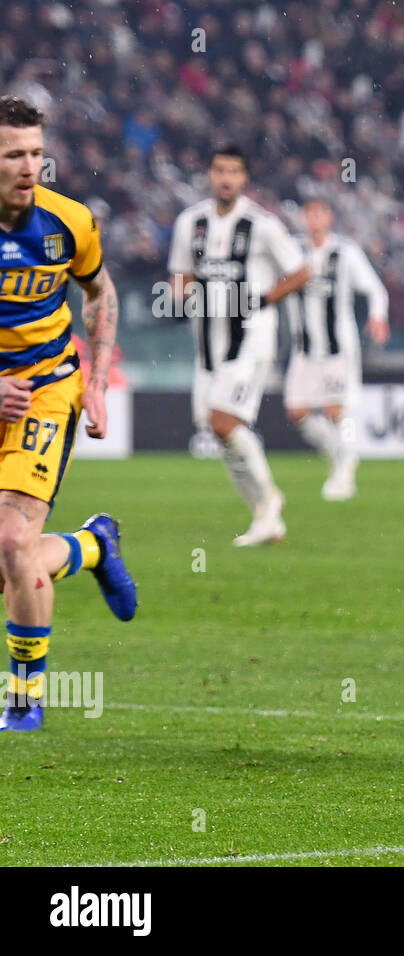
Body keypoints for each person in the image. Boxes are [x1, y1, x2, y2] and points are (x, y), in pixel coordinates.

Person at [0, 96, 137, 731]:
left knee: (9, 541)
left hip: (49, 389)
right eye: (13, 155)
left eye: (35, 153)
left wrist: (100, 382)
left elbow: (100, 292)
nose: (29, 167)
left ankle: (24, 701)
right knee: (11, 562)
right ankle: (91, 545)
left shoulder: (68, 223)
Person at [167, 145, 308, 545]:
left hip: (251, 341)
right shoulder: (189, 223)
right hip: (208, 345)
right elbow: (181, 274)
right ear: (209, 175)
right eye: (219, 170)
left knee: (223, 422)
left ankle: (269, 503)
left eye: (234, 171)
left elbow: (300, 272)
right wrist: (179, 300)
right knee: (217, 428)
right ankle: (265, 516)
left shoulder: (262, 224)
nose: (226, 178)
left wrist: (262, 300)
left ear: (244, 178)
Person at [282, 198, 388, 501]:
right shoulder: (291, 251)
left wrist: (377, 316)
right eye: (309, 213)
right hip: (304, 349)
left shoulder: (345, 252)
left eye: (320, 213)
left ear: (329, 217)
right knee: (297, 412)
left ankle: (344, 474)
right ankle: (341, 455)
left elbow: (375, 288)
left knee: (336, 409)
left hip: (338, 348)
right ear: (303, 217)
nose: (314, 219)